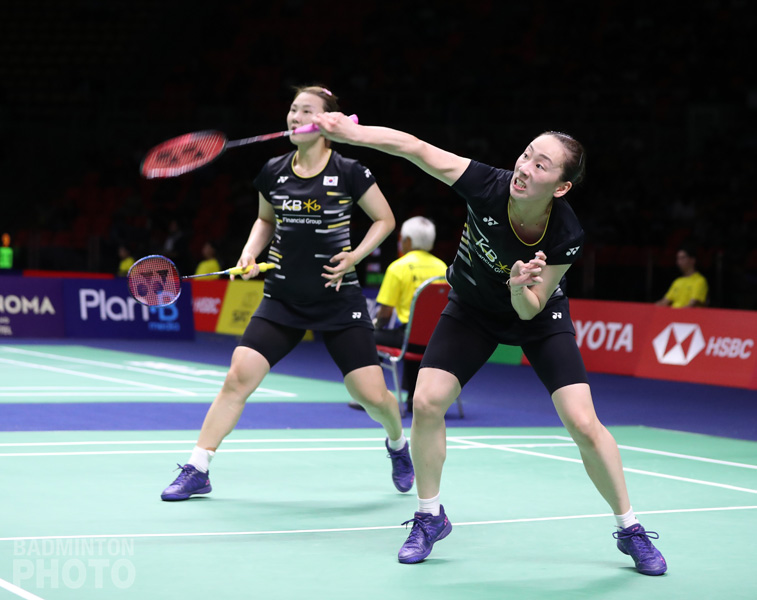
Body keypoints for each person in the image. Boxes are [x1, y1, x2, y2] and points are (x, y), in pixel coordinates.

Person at [313, 112, 667, 576]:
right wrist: (354, 134)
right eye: (526, 155)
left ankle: (630, 528)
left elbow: (530, 309)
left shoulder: (566, 234)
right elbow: (416, 148)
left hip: (538, 316)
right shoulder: (486, 184)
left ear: (561, 187)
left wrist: (519, 287)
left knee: (583, 423)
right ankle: (429, 516)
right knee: (426, 402)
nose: (524, 168)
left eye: (541, 165)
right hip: (473, 309)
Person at [161, 85, 414, 502]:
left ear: (328, 121)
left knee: (371, 395)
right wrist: (249, 252)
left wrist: (355, 256)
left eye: (306, 110)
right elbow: (265, 220)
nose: (295, 117)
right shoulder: (274, 170)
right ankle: (198, 467)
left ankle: (397, 443)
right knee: (237, 378)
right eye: (293, 109)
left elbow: (384, 220)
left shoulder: (350, 171)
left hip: (337, 298)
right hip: (282, 298)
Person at [348, 216, 447, 413]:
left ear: (407, 241)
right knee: (414, 338)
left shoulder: (398, 267)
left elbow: (385, 315)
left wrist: (373, 328)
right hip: (437, 340)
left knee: (367, 336)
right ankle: (412, 398)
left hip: (407, 339)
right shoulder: (442, 268)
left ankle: (371, 397)